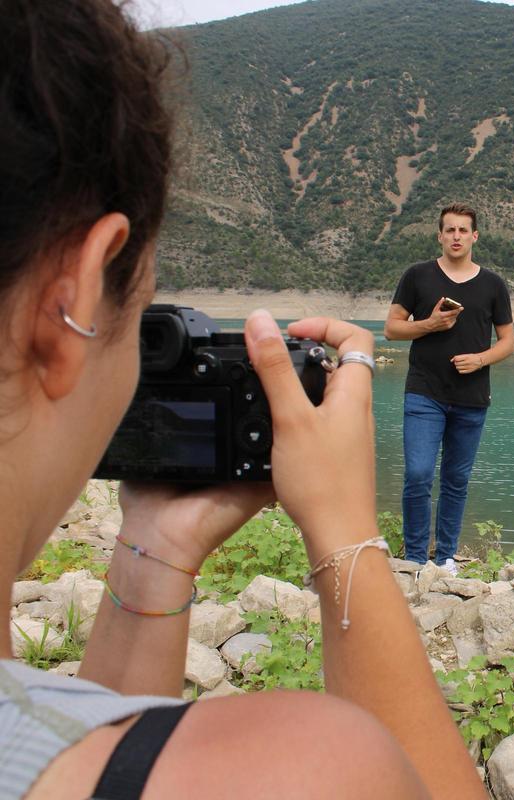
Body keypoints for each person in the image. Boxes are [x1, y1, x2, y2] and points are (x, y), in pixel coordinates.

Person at [0, 2, 485, 797]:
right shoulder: (308, 770)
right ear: (71, 309)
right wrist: (342, 529)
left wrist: (154, 553)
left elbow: (86, 746)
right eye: (142, 319)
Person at [384, 204, 514, 575]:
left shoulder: (492, 285)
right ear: (440, 236)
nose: (456, 236)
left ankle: (443, 559)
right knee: (419, 474)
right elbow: (392, 329)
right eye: (450, 230)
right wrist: (429, 324)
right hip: (424, 393)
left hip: (472, 399)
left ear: (474, 236)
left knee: (456, 480)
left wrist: (481, 359)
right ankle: (413, 557)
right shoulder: (417, 276)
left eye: (463, 230)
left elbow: (507, 342)